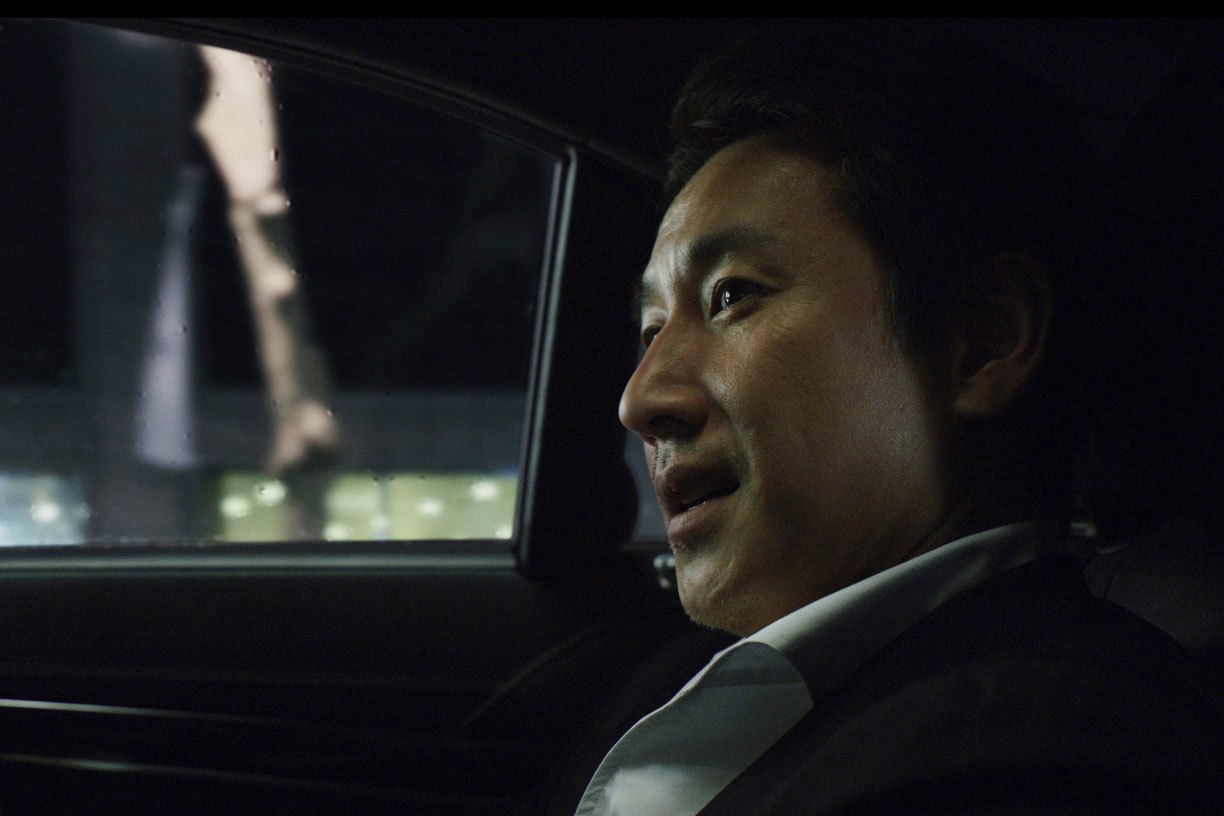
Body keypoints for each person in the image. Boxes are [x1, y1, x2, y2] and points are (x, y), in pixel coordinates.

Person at [573, 29, 1223, 815]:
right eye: (651, 330)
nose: (640, 401)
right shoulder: (679, 679)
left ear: (982, 343)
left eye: (733, 295)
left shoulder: (1046, 756)